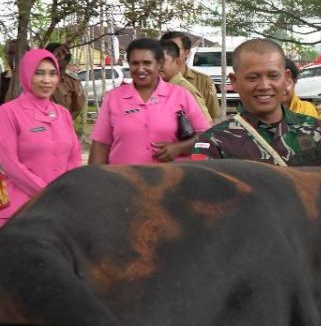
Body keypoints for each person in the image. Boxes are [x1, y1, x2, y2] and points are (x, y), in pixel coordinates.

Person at [192, 39, 321, 168]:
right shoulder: (214, 141)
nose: (264, 86)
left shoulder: (316, 129)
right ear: (234, 81)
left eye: (273, 76)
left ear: (286, 79)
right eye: (253, 78)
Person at [89, 39, 210, 165]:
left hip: (170, 179)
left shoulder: (181, 95)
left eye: (147, 63)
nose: (140, 69)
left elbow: (205, 137)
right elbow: (101, 145)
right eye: (135, 63)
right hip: (123, 181)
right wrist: (94, 180)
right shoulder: (113, 98)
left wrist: (179, 148)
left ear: (159, 63)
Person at [0, 48, 82, 225]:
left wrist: (68, 190)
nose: (46, 80)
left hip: (61, 206)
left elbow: (74, 158)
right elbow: (10, 165)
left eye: (52, 74)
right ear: (26, 75)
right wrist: (49, 193)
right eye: (39, 73)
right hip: (21, 209)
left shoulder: (63, 114)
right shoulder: (8, 113)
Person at [160, 31, 222, 120]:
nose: (170, 53)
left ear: (187, 53)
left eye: (175, 49)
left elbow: (214, 116)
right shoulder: (155, 81)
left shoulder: (203, 81)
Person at [45, 42, 85, 121]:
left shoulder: (72, 81)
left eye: (66, 54)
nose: (64, 57)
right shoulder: (35, 79)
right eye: (58, 54)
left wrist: (64, 123)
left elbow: (77, 107)